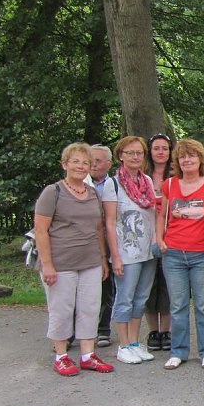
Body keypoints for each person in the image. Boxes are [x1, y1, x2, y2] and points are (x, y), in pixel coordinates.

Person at [35, 142, 114, 376]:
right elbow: (41, 230)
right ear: (65, 164)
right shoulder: (53, 192)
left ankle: (88, 354)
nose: (81, 166)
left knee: (90, 307)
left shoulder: (91, 193)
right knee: (62, 308)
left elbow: (98, 228)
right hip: (61, 262)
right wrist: (47, 264)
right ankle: (61, 356)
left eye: (86, 162)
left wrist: (102, 259)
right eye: (76, 161)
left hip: (89, 261)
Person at [156, 138, 204, 370]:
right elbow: (161, 213)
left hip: (202, 254)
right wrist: (159, 239)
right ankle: (178, 351)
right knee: (178, 305)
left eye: (191, 156)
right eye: (182, 157)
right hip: (173, 253)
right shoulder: (170, 184)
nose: (187, 160)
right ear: (178, 161)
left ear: (200, 159)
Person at [106, 136, 157, 364]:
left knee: (141, 298)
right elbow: (108, 222)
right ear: (120, 156)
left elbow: (153, 213)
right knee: (125, 298)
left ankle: (135, 342)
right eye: (130, 153)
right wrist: (114, 256)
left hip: (147, 250)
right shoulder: (113, 184)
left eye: (139, 153)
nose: (135, 157)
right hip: (126, 252)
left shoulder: (146, 180)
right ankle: (123, 345)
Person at [144, 134, 173, 352]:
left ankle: (166, 330)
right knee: (148, 285)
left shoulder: (176, 176)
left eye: (165, 148)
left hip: (170, 237)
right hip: (145, 238)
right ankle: (153, 330)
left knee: (169, 286)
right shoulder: (142, 177)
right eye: (156, 148)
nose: (161, 152)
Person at [89, 144, 117, 348]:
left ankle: (103, 330)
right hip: (85, 243)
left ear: (109, 163)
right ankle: (72, 332)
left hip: (110, 242)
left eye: (98, 160)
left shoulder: (115, 184)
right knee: (82, 290)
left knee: (107, 288)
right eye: (91, 160)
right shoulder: (78, 184)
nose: (93, 165)